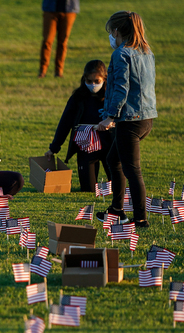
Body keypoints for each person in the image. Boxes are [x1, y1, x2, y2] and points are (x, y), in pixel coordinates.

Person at [95, 11, 156, 228]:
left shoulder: (121, 54)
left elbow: (122, 88)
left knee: (132, 171)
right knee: (114, 160)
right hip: (146, 118)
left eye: (110, 31)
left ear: (117, 31)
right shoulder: (146, 52)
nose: (110, 35)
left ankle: (140, 219)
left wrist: (110, 116)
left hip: (129, 120)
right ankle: (116, 210)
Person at [45, 60, 112, 192]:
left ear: (104, 79)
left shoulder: (112, 96)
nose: (93, 85)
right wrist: (54, 148)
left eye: (97, 81)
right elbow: (65, 123)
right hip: (86, 147)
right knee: (88, 189)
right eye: (89, 81)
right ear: (84, 79)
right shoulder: (78, 97)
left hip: (109, 146)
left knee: (117, 187)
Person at [39, 0, 79, 78]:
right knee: (47, 41)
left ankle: (59, 72)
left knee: (63, 42)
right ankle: (42, 71)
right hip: (50, 8)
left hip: (69, 9)